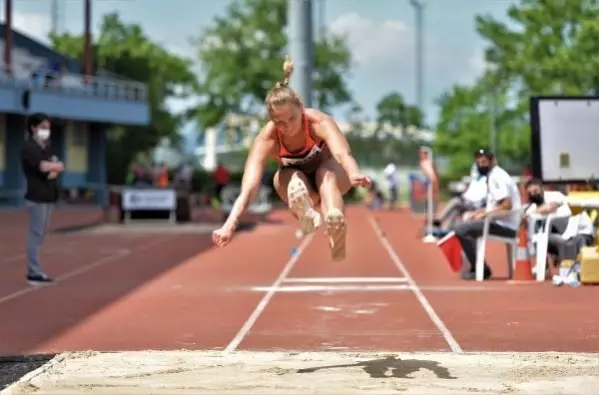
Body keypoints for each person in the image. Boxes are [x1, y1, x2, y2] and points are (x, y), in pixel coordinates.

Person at [211, 56, 371, 260]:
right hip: (301, 186)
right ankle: (306, 213)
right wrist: (229, 225)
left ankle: (334, 223)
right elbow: (249, 187)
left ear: (301, 109)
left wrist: (354, 172)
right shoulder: (267, 138)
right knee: (289, 178)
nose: (288, 126)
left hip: (333, 176)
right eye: (280, 122)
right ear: (272, 120)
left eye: (293, 118)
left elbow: (342, 153)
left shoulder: (318, 122)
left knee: (326, 174)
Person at [453, 149, 522, 280]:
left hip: (507, 227)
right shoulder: (494, 175)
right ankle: (478, 266)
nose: (481, 165)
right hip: (501, 222)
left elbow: (507, 205)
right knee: (465, 223)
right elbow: (494, 206)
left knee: (461, 229)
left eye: (484, 162)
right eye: (478, 163)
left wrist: (484, 215)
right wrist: (476, 213)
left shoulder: (497, 177)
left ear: (492, 161)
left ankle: (481, 269)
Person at [20, 113, 65, 285]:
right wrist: (51, 168)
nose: (47, 131)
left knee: (41, 234)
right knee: (36, 233)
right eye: (43, 127)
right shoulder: (29, 148)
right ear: (34, 127)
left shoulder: (47, 147)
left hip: (49, 196)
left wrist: (51, 168)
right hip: (36, 196)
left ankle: (35, 269)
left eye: (48, 128)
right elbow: (43, 167)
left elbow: (57, 166)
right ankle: (34, 271)